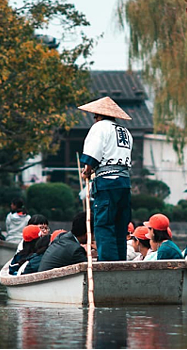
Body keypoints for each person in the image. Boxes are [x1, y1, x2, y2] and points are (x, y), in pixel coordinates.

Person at [78, 96, 133, 261]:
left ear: (100, 116)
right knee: (120, 226)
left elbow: (92, 155)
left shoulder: (100, 127)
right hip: (124, 183)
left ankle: (108, 263)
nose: (94, 119)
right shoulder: (125, 131)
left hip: (107, 182)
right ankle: (120, 261)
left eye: (95, 116)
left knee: (103, 225)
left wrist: (87, 170)